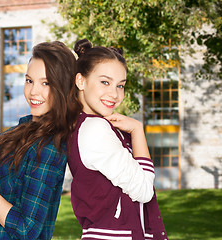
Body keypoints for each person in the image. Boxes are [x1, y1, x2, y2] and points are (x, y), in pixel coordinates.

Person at [0, 41, 78, 239]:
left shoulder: (50, 147)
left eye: (46, 83)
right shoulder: (24, 130)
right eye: (29, 81)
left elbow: (27, 229)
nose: (33, 92)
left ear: (63, 88)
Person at [67, 39, 168, 240]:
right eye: (105, 82)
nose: (114, 94)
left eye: (120, 85)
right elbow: (144, 190)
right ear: (81, 81)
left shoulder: (87, 125)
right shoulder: (95, 128)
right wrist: (137, 130)